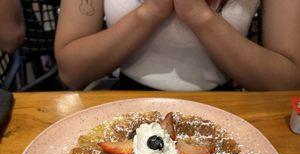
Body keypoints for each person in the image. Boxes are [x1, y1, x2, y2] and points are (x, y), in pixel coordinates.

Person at [54, 0, 300, 91]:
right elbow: (72, 70)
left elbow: (288, 81)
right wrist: (151, 12)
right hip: (125, 104)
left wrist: (198, 16)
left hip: (225, 110)